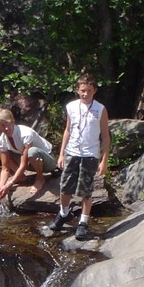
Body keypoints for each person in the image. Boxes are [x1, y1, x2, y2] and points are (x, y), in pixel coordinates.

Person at [48, 73, 111, 240]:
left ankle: (83, 222)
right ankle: (64, 213)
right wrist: (61, 153)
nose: (85, 94)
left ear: (94, 91)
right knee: (65, 186)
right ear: (77, 90)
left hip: (90, 154)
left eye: (89, 91)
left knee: (86, 189)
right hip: (72, 152)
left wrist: (104, 160)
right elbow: (67, 130)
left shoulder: (100, 109)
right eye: (83, 90)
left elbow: (105, 136)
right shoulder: (71, 107)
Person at [0, 108, 57, 200]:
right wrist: (1, 185)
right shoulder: (3, 139)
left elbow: (23, 164)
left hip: (47, 162)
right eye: (2, 126)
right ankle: (20, 176)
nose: (5, 128)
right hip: (30, 161)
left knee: (32, 152)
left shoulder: (25, 134)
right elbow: (5, 168)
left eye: (7, 124)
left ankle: (40, 178)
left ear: (13, 122)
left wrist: (10, 183)